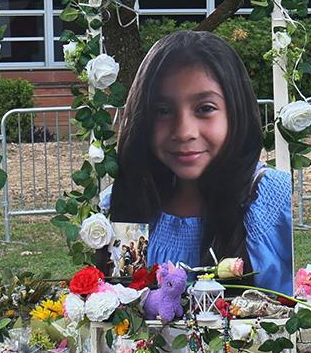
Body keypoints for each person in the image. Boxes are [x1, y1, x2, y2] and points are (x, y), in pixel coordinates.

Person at [108, 30, 294, 294]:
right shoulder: (120, 202)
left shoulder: (272, 199)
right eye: (163, 111)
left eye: (205, 108)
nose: (184, 132)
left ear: (235, 110)